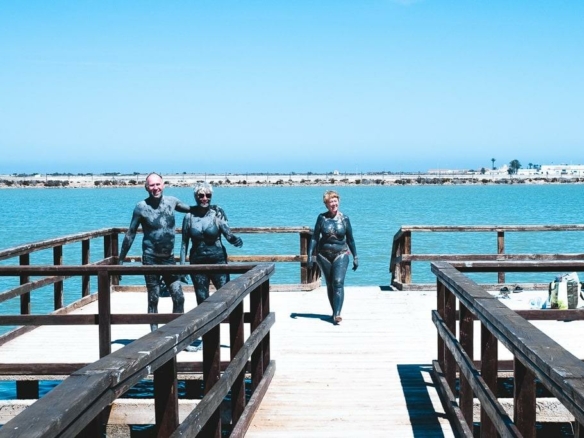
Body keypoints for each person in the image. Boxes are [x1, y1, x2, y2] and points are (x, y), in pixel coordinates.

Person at [118, 172, 190, 332]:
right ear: (146, 187)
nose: (155, 188)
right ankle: (154, 334)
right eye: (152, 185)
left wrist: (211, 208)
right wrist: (121, 259)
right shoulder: (141, 207)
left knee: (179, 297)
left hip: (169, 259)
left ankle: (175, 332)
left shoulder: (172, 202)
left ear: (163, 185)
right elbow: (130, 233)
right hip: (150, 258)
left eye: (158, 184)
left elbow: (193, 209)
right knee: (153, 298)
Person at [180, 182, 243, 305]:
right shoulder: (189, 217)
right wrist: (182, 268)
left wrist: (236, 240)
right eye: (201, 195)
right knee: (202, 298)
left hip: (218, 261)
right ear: (195, 197)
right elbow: (184, 243)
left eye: (208, 195)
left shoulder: (217, 213)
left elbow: (228, 235)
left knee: (225, 296)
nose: (205, 199)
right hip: (197, 262)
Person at [307, 190, 358, 325]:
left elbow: (350, 240)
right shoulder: (322, 218)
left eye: (335, 201)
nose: (334, 204)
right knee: (330, 284)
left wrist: (355, 256)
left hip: (341, 253)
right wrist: (309, 256)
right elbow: (314, 238)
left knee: (338, 282)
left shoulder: (344, 219)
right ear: (326, 204)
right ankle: (334, 312)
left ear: (338, 202)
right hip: (323, 255)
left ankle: (337, 314)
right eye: (331, 202)